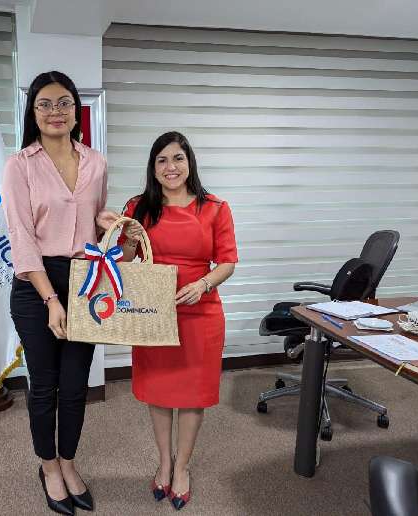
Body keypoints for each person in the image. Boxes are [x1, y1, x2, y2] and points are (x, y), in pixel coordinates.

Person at [2, 71, 119, 515]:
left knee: (75, 385)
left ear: (76, 110)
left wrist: (107, 225)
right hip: (36, 286)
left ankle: (68, 462)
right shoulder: (20, 165)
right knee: (44, 385)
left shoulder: (96, 162)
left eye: (64, 102)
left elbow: (95, 225)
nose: (56, 111)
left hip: (84, 279)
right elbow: (21, 237)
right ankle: (48, 467)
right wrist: (52, 300)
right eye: (45, 104)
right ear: (32, 112)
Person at [118, 131, 238, 511]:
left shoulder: (215, 208)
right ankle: (164, 463)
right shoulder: (138, 206)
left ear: (189, 163)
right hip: (154, 311)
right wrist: (130, 239)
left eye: (178, 158)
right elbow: (124, 260)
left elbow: (228, 262)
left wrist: (202, 284)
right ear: (153, 168)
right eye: (162, 160)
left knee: (191, 394)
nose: (171, 167)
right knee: (159, 390)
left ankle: (182, 466)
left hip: (200, 312)